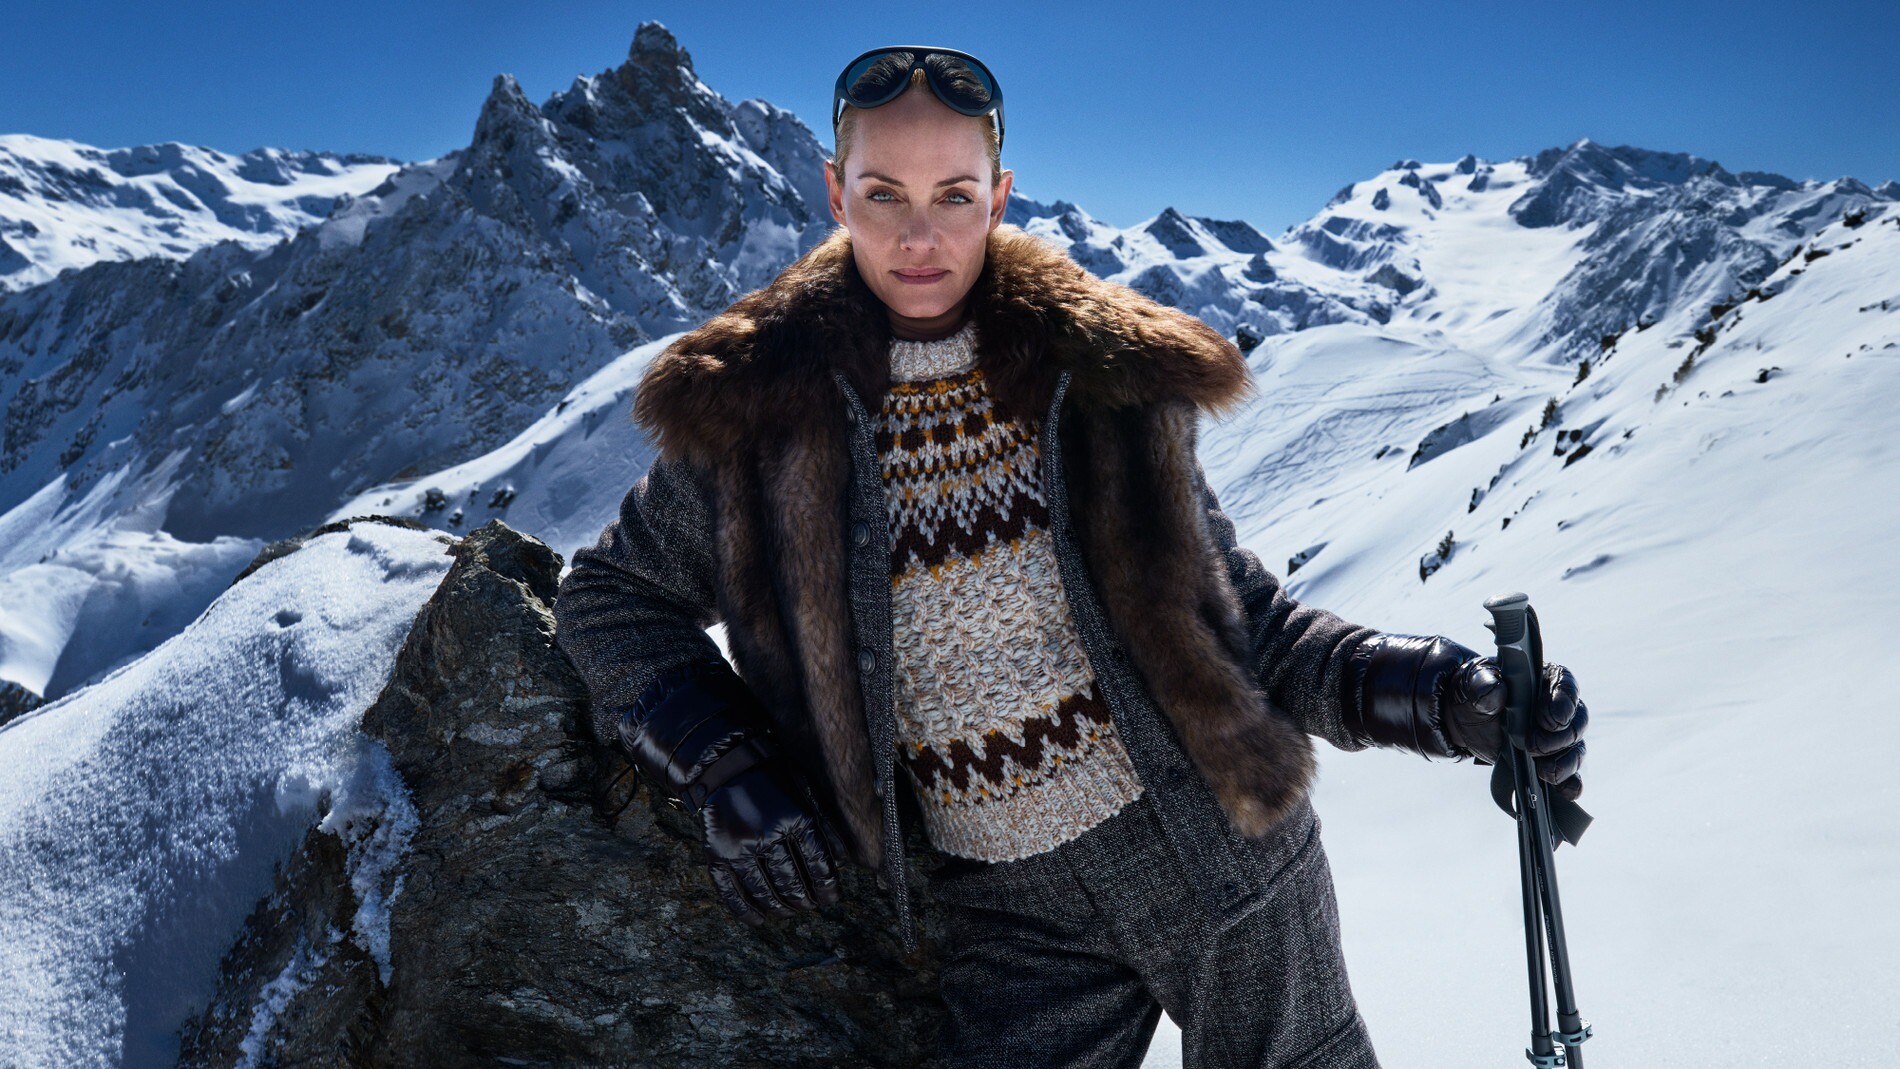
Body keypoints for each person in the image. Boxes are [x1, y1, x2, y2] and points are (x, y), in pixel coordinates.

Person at [551, 45, 1588, 1069]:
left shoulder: (1098, 376)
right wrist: (722, 762)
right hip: (1006, 923)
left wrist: (1441, 695)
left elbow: (1250, 628)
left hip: (1226, 856)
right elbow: (607, 596)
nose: (919, 236)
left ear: (999, 198)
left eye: (954, 196)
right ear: (834, 192)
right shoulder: (755, 411)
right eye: (883, 194)